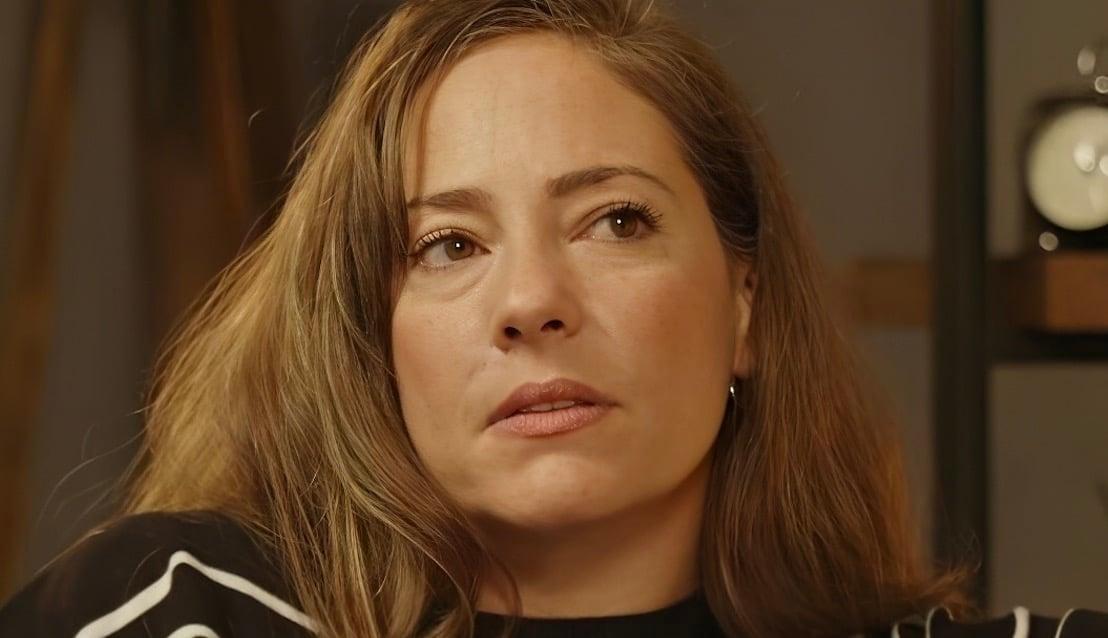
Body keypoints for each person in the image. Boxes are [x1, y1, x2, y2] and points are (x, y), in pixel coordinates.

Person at [1, 1, 1105, 636]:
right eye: (448, 245)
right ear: (371, 337)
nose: (531, 303)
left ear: (747, 308)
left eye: (615, 221)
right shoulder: (184, 609)